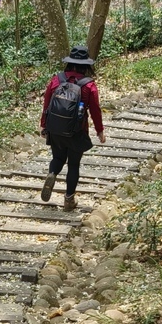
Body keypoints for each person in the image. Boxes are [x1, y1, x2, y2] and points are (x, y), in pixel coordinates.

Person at [40, 44, 105, 212]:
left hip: (55, 128)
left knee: (58, 158)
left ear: (69, 62)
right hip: (77, 130)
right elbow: (95, 110)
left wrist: (44, 125)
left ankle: (52, 173)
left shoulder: (57, 80)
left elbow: (47, 103)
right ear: (86, 65)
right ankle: (69, 200)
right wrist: (99, 130)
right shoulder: (89, 85)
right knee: (74, 164)